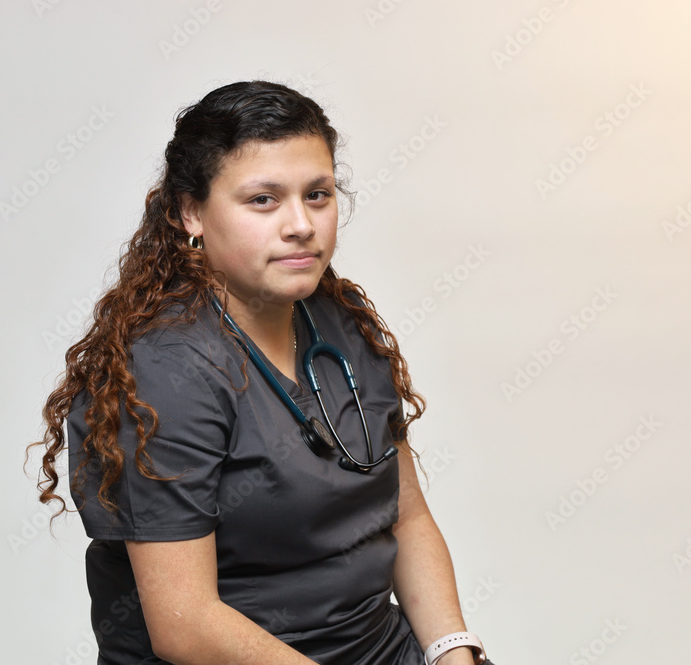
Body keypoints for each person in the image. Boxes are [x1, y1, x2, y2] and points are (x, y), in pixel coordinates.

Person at [30, 80, 492, 665]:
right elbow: (186, 625)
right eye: (263, 200)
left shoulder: (340, 324)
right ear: (189, 212)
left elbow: (408, 516)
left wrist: (453, 650)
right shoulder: (164, 373)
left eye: (318, 195)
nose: (301, 224)